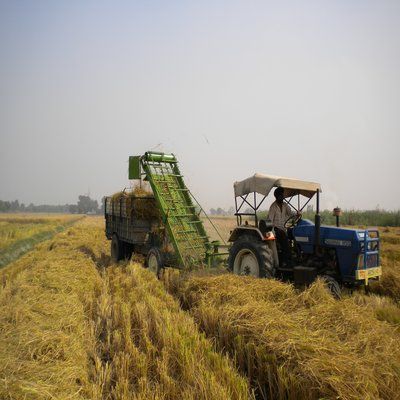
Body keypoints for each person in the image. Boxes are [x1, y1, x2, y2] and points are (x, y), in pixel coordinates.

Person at [268, 187, 299, 267]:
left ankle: (297, 254)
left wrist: (297, 214)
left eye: (283, 195)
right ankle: (286, 262)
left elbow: (291, 213)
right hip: (275, 230)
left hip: (283, 229)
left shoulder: (285, 205)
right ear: (277, 196)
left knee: (294, 232)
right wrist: (273, 230)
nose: (282, 197)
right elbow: (270, 220)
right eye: (281, 196)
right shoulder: (273, 207)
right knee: (283, 237)